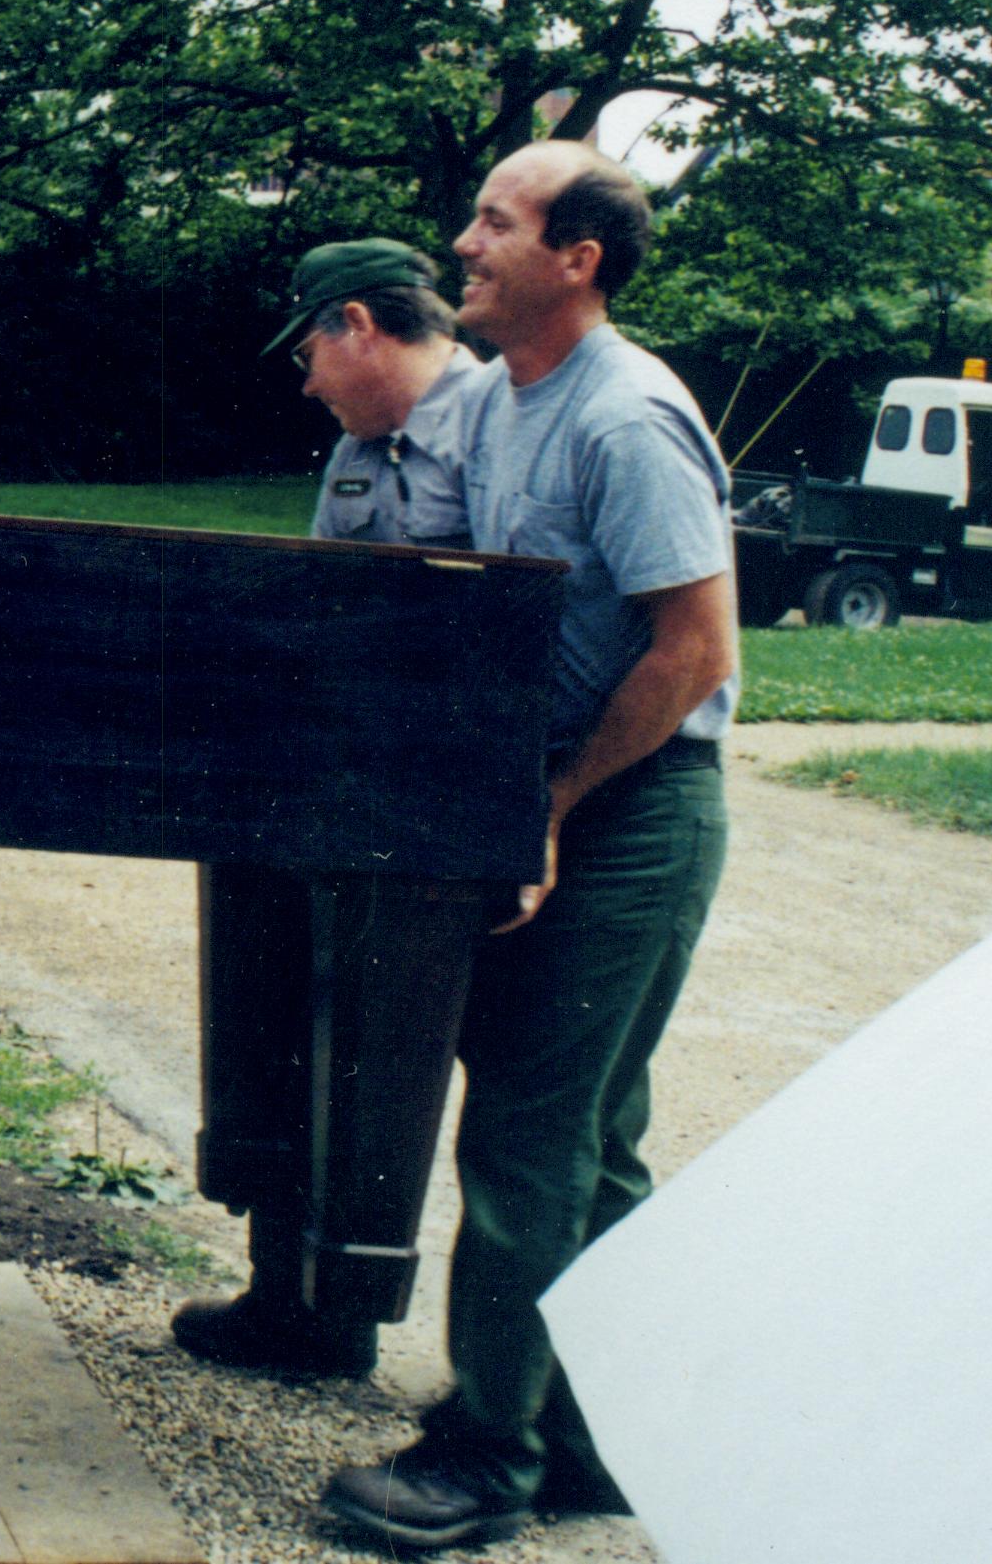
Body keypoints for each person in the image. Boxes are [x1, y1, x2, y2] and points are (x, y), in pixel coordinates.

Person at [322, 142, 738, 1553]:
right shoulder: (500, 400)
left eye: (496, 223)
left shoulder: (625, 420)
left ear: (579, 259)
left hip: (633, 804)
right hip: (559, 792)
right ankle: (589, 1437)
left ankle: (482, 1457)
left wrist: (547, 809)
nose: (464, 241)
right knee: (592, 1142)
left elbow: (693, 651)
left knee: (526, 1133)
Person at [174, 239, 493, 1380]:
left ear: (358, 323)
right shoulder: (357, 452)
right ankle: (294, 1306)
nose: (304, 375)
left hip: (438, 802)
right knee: (291, 1028)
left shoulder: (499, 423)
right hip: (338, 784)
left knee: (383, 1056)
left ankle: (364, 1304)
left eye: (311, 345)